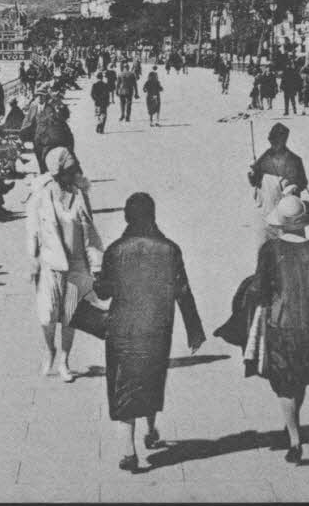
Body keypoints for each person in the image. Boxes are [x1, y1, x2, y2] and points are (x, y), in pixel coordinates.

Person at [94, 193, 206, 473]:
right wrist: (195, 330)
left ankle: (128, 450)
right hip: (157, 327)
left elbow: (105, 293)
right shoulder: (170, 249)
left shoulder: (114, 250)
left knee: (123, 385)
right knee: (152, 378)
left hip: (122, 328)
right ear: (153, 216)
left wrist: (96, 280)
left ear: (127, 217)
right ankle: (152, 429)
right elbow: (183, 291)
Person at [248, 196, 309, 464]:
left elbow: (260, 289)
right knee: (300, 379)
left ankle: (294, 438)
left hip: (280, 325)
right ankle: (294, 427)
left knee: (284, 385)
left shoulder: (269, 249)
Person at [26, 147, 103, 383]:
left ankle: (65, 362)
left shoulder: (80, 194)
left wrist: (97, 265)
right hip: (50, 264)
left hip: (76, 266)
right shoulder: (41, 195)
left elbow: (90, 231)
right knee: (48, 316)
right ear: (57, 172)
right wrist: (32, 260)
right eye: (69, 171)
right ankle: (50, 348)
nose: (73, 175)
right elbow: (32, 230)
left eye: (74, 170)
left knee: (70, 316)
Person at [34, 92, 74, 174]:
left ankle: (45, 171)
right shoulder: (39, 108)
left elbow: (65, 115)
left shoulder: (50, 114)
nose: (40, 98)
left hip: (52, 141)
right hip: (52, 140)